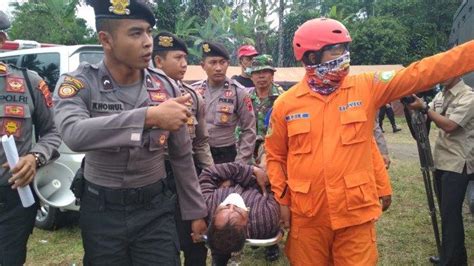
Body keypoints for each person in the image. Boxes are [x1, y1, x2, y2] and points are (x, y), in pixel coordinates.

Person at [265, 17, 474, 265]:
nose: (344, 57)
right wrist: (282, 199)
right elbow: (275, 157)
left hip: (355, 216)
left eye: (345, 49)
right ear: (311, 57)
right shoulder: (286, 104)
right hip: (307, 218)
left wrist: (382, 185)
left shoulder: (366, 87)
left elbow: (421, 73)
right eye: (336, 50)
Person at [53, 1, 207, 264]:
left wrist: (195, 211)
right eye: (136, 33)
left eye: (148, 31)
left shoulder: (166, 87)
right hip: (102, 211)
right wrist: (147, 117)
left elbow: (182, 156)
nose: (148, 42)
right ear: (106, 39)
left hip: (155, 210)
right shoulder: (80, 83)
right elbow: (74, 133)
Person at [0, 10, 61, 266]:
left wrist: (35, 157)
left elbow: (54, 132)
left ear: (2, 40)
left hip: (13, 198)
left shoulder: (28, 81)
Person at [152, 31, 213, 266]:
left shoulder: (193, 97)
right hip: (156, 176)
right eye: (177, 58)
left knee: (196, 239)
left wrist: (210, 174)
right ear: (159, 61)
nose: (184, 64)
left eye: (186, 58)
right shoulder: (141, 96)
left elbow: (200, 142)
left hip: (188, 175)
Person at [408, 76, 473, 265]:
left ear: (458, 73)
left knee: (451, 213)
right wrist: (413, 104)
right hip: (442, 161)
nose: (442, 76)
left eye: (447, 72)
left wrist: (425, 108)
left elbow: (450, 126)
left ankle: (452, 260)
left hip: (459, 163)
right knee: (446, 214)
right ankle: (452, 256)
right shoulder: (441, 95)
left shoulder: (468, 97)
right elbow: (427, 117)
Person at [199, 162, 280, 266]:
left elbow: (208, 173)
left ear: (213, 217)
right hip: (256, 183)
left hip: (243, 170)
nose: (232, 203)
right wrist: (254, 172)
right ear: (247, 223)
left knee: (219, 240)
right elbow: (269, 186)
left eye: (225, 208)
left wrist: (248, 170)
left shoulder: (208, 205)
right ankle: (220, 259)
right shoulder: (266, 216)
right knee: (270, 230)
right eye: (237, 210)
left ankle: (271, 247)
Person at [192, 41, 256, 164]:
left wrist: (239, 164)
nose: (218, 68)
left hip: (226, 155)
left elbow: (249, 130)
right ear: (203, 65)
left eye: (222, 62)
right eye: (213, 62)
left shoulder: (239, 92)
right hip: (197, 154)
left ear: (228, 64)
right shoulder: (194, 92)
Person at [247, 54, 284, 160]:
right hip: (249, 151)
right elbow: (239, 129)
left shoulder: (282, 98)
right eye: (257, 73)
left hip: (276, 151)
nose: (261, 76)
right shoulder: (246, 98)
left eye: (265, 72)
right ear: (251, 76)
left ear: (272, 75)